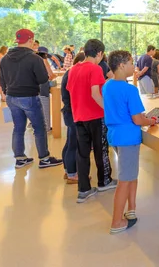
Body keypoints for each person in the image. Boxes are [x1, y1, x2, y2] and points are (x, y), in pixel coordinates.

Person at [104, 50, 158, 234]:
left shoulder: (107, 85)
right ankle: (116, 222)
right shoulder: (129, 90)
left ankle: (131, 209)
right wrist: (151, 121)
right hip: (128, 138)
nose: (133, 66)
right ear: (121, 65)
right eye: (130, 63)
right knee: (125, 180)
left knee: (131, 174)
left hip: (115, 135)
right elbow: (137, 119)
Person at [0, 29, 62, 169]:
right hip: (29, 97)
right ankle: (44, 158)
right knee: (39, 128)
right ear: (31, 40)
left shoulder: (5, 58)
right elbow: (42, 79)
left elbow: (2, 79)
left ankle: (20, 158)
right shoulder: (35, 58)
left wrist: (5, 92)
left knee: (18, 128)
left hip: (11, 97)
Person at [67, 39, 117, 203]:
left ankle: (84, 189)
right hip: (95, 116)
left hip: (78, 116)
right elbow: (96, 94)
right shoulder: (95, 69)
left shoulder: (73, 69)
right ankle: (104, 181)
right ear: (100, 53)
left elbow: (71, 91)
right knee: (101, 150)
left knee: (82, 153)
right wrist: (109, 112)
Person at [61, 52, 86, 184]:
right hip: (73, 112)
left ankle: (67, 170)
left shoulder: (70, 72)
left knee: (70, 142)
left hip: (69, 111)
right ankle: (72, 173)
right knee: (74, 144)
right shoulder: (73, 73)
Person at [36, 47, 57, 132]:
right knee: (45, 108)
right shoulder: (44, 61)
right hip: (43, 87)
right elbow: (51, 75)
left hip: (35, 88)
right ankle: (47, 128)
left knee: (38, 109)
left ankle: (38, 128)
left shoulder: (34, 61)